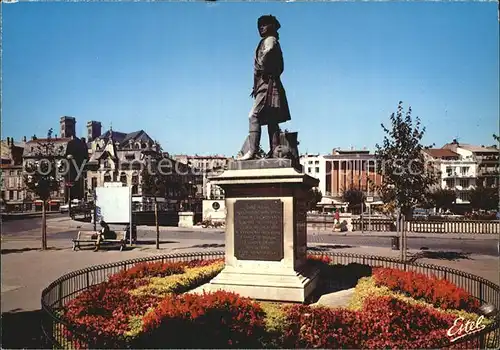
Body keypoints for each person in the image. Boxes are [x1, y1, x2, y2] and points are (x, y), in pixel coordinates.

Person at [237, 14, 291, 160]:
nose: (261, 27)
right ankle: (275, 151)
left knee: (253, 115)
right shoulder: (270, 40)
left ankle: (252, 151)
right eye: (259, 25)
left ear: (272, 26)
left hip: (267, 85)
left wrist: (263, 66)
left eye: (264, 24)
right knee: (272, 119)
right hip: (268, 85)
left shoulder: (270, 40)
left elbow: (270, 50)